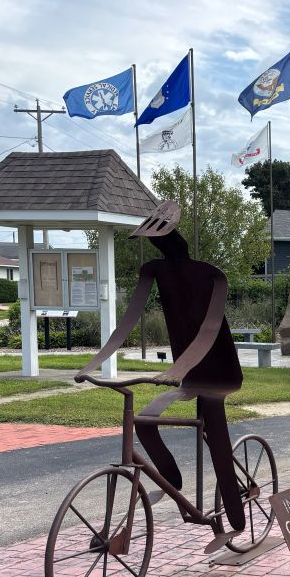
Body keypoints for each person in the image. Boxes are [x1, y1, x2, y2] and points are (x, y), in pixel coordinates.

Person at [75, 201, 247, 550]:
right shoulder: (153, 271)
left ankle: (235, 519)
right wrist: (93, 364)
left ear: (176, 239)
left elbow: (210, 328)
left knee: (214, 426)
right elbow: (127, 321)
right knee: (146, 419)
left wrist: (177, 368)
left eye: (162, 239)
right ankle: (171, 478)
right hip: (185, 372)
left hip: (218, 371)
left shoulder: (212, 275)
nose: (159, 247)